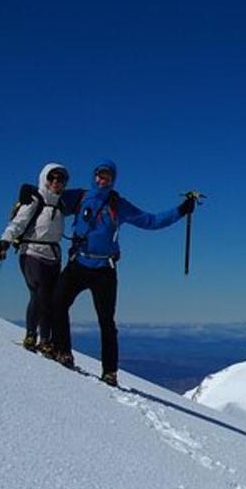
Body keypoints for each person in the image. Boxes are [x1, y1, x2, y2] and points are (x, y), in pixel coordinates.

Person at [50, 159, 196, 387]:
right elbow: (51, 198)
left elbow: (151, 221)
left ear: (113, 179)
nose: (102, 180)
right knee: (57, 304)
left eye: (107, 177)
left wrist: (180, 210)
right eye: (100, 175)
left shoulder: (118, 205)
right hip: (78, 263)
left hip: (104, 271)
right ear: (94, 175)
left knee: (106, 322)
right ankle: (62, 351)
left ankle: (110, 372)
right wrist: (31, 193)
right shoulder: (79, 197)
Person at [0, 163, 79, 355]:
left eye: (61, 179)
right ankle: (38, 338)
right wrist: (3, 242)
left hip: (53, 256)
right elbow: (18, 223)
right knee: (42, 294)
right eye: (52, 178)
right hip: (31, 251)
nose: (56, 182)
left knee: (47, 296)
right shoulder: (34, 199)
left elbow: (87, 195)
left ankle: (38, 337)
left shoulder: (61, 202)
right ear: (44, 178)